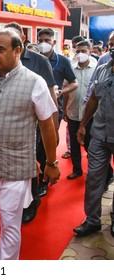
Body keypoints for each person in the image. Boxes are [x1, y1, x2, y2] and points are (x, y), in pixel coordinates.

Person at [0, 28, 59, 260]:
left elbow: (48, 125)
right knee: (2, 216)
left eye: (1, 50)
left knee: (9, 222)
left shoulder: (34, 82)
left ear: (18, 51)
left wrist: (51, 162)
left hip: (17, 167)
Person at [4, 22, 58, 224]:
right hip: (9, 124)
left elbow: (51, 97)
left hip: (34, 126)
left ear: (22, 40)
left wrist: (55, 126)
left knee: (30, 164)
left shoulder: (39, 62)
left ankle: (32, 201)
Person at [73, 47, 114, 238]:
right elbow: (93, 99)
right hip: (99, 134)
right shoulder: (103, 68)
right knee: (94, 178)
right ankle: (92, 220)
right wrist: (83, 125)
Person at [37, 28, 78, 197]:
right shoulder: (34, 60)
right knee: (34, 144)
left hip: (54, 109)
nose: (43, 43)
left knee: (47, 144)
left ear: (54, 42)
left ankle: (45, 179)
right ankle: (37, 173)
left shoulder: (62, 61)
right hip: (32, 109)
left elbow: (74, 83)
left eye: (47, 40)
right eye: (41, 40)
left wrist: (62, 91)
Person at [63, 40, 96, 180]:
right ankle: (77, 170)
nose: (80, 54)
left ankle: (97, 172)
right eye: (78, 51)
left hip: (90, 116)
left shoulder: (96, 68)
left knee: (91, 145)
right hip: (72, 113)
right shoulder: (70, 68)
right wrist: (64, 110)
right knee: (74, 145)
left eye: (84, 51)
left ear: (90, 52)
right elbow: (65, 91)